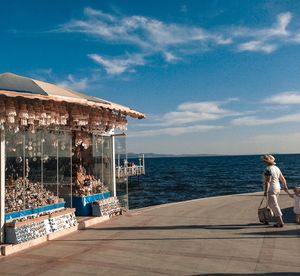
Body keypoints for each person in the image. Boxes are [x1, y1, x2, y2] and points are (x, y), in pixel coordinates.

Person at [261, 154, 291, 227]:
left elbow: (268, 181)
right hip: (277, 188)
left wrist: (265, 191)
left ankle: (280, 221)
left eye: (264, 161)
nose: (263, 162)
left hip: (271, 189)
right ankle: (267, 219)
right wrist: (285, 186)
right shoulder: (276, 168)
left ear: (266, 162)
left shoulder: (268, 169)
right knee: (271, 204)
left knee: (273, 205)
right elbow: (282, 178)